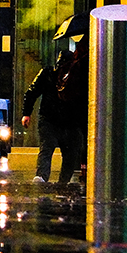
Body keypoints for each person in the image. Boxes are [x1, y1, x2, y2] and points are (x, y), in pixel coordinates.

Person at [22, 47, 84, 184]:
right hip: (69, 121)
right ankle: (63, 182)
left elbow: (31, 92)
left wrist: (26, 114)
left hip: (50, 119)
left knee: (46, 150)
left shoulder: (48, 73)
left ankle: (42, 177)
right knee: (69, 155)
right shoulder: (77, 75)